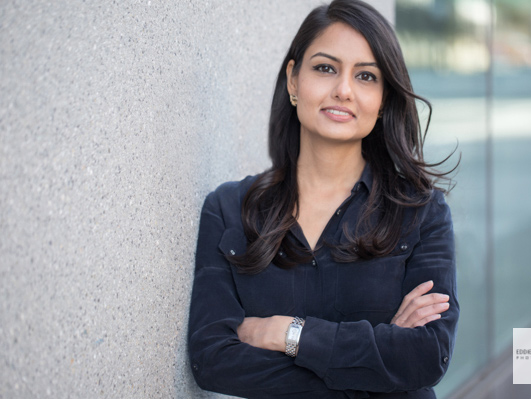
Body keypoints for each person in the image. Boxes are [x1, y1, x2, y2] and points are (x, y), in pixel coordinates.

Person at [187, 0, 459, 398]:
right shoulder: (229, 208)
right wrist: (376, 365)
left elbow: (427, 355)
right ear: (294, 80)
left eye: (366, 76)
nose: (343, 90)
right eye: (325, 68)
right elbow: (212, 361)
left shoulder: (421, 212)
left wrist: (287, 333)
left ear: (383, 99)